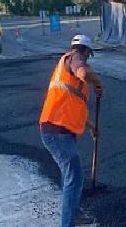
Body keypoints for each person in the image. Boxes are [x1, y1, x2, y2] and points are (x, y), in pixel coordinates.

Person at [39, 35, 103, 227]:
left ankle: (75, 213)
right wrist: (97, 82)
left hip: (60, 130)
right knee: (73, 175)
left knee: (72, 175)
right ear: (85, 51)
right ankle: (68, 223)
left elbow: (71, 108)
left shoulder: (67, 69)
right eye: (88, 56)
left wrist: (92, 127)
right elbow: (83, 73)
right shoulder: (75, 58)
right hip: (55, 132)